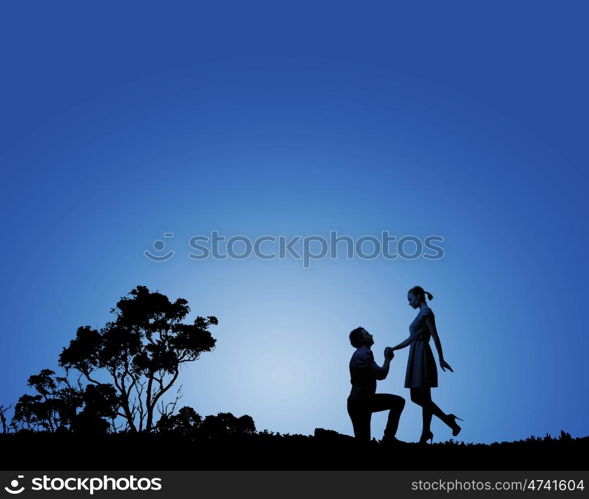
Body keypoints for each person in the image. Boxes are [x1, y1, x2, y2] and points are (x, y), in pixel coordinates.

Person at [391, 286, 462, 444]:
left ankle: (444, 423)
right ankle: (428, 431)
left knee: (418, 397)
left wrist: (441, 358)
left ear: (418, 296)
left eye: (410, 299)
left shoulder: (426, 312)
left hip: (422, 354)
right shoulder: (420, 314)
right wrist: (395, 348)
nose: (409, 303)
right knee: (423, 398)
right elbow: (411, 338)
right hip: (416, 353)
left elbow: (435, 336)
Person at [347, 327, 405, 444]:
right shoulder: (362, 355)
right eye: (367, 334)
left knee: (398, 402)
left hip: (365, 401)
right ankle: (388, 438)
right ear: (361, 339)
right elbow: (381, 374)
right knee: (363, 441)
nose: (371, 335)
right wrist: (387, 359)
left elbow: (379, 374)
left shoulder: (365, 354)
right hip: (359, 404)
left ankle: (389, 437)